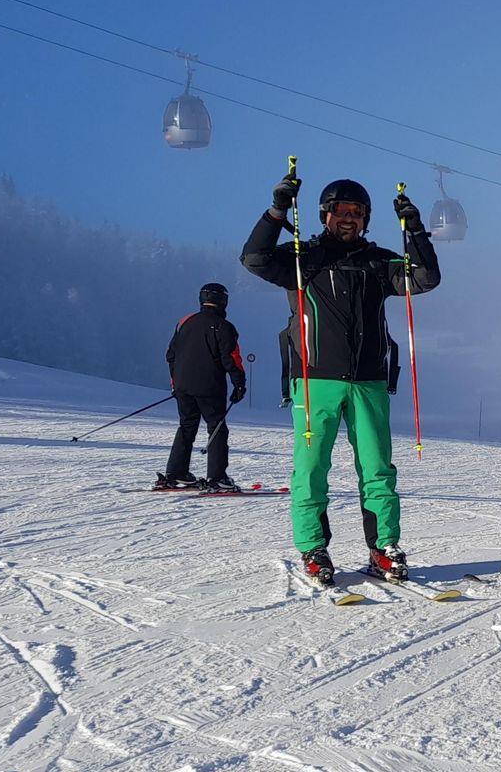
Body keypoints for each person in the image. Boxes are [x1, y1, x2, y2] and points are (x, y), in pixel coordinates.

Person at [241, 172, 440, 585]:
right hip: (315, 382)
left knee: (378, 469)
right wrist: (277, 210)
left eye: (357, 212)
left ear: (366, 219)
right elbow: (255, 258)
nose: (349, 218)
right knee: (311, 469)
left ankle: (384, 548)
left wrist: (415, 228)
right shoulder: (303, 258)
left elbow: (426, 277)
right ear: (324, 214)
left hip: (369, 382)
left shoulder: (378, 262)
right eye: (340, 211)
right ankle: (313, 548)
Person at [157, 282, 247, 492]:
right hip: (210, 387)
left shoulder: (184, 322)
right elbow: (231, 358)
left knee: (187, 426)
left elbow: (171, 355)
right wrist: (239, 384)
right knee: (216, 427)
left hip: (183, 386)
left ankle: (176, 472)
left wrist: (175, 383)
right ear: (223, 301)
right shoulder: (224, 326)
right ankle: (217, 477)